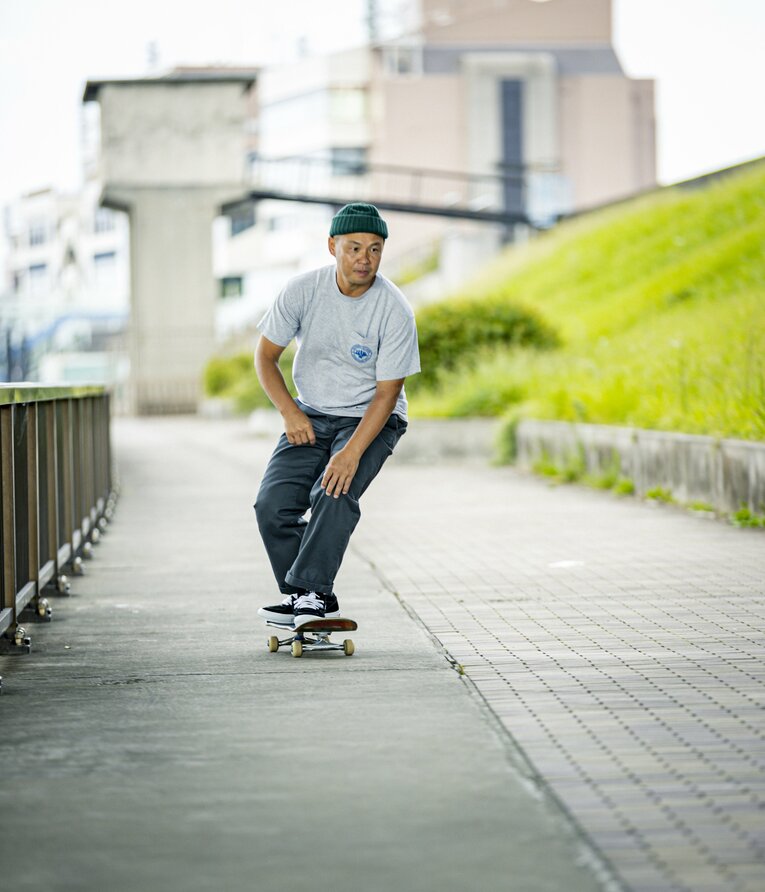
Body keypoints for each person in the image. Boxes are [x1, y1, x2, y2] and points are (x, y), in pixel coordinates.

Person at [254, 202, 420, 627]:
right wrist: (291, 414)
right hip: (309, 414)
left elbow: (387, 394)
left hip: (371, 419)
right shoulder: (302, 290)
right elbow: (266, 357)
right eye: (354, 248)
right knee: (272, 507)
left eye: (374, 249)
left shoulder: (394, 309)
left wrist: (349, 454)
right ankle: (308, 598)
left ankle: (310, 594)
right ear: (332, 246)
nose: (364, 259)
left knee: (333, 491)